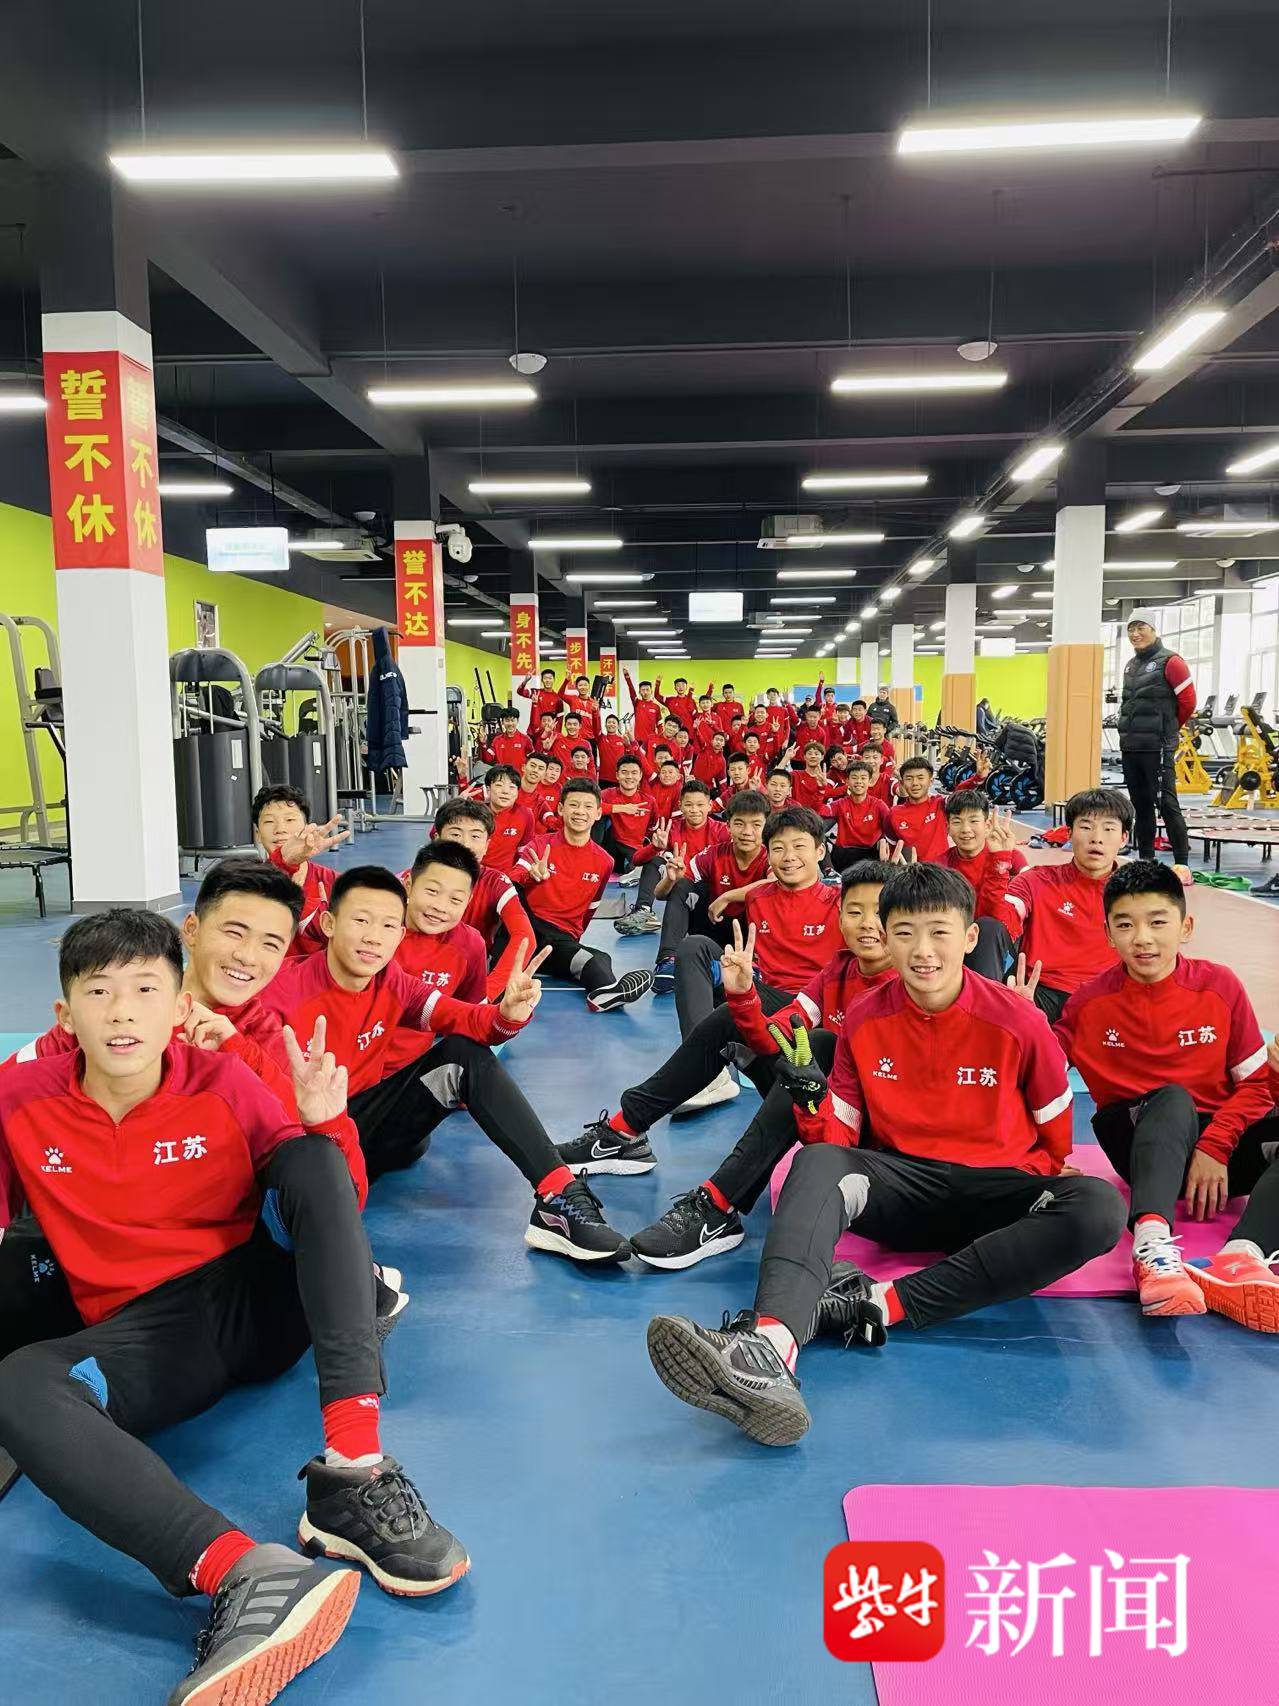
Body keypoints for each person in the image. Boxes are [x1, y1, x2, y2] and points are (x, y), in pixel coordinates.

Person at [0, 910, 471, 1702]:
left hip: (255, 1297)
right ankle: (244, 1571)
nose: (121, 1012)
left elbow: (332, 1198)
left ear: (177, 1007)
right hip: (149, 1336)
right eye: (99, 992)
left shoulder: (221, 1082)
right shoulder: (17, 1100)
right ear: (65, 1016)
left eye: (145, 990)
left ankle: (353, 1472)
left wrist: (331, 1123)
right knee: (18, 1381)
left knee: (310, 1155)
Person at [644, 863, 1127, 1446]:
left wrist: (1037, 1186)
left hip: (994, 1195)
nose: (922, 951)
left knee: (1099, 1206)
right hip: (901, 1189)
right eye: (905, 933)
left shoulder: (1020, 1020)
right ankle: (770, 1347)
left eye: (939, 932)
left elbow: (1055, 1134)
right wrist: (808, 1100)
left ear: (969, 937)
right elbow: (839, 1138)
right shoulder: (866, 1017)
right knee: (817, 1163)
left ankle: (874, 1304)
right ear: (887, 937)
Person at [267, 861, 631, 1263]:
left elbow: (467, 1020)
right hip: (303, 1147)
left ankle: (558, 1195)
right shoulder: (280, 990)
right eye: (361, 921)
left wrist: (508, 1014)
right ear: (330, 924)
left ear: (399, 934)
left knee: (462, 1054)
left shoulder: (393, 981)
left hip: (360, 1130)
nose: (373, 937)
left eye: (387, 926)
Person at [573, 862, 897, 1268]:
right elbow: (776, 1034)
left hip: (863, 1135)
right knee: (748, 1024)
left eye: (880, 912)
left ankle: (719, 1205)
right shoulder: (840, 969)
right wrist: (744, 997)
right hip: (821, 1112)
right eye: (855, 911)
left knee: (818, 1046)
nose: (868, 924)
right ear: (840, 916)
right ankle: (623, 1132)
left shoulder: (907, 987)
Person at [1054, 861, 1279, 1326]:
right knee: (1173, 1098)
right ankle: (1151, 1248)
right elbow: (1039, 1079)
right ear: (1108, 934)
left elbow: (1257, 1084)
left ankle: (1242, 1255)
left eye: (1157, 922)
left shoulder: (1219, 986)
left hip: (1213, 1158)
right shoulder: (1089, 1003)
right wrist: (1044, 1153)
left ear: (1185, 927)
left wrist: (1215, 1147)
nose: (1143, 939)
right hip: (1139, 1142)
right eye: (1125, 925)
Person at [666, 804, 840, 1053]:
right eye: (778, 848)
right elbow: (762, 888)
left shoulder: (841, 902)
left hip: (816, 1003)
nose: (789, 856)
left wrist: (726, 896)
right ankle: (703, 1057)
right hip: (766, 994)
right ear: (768, 855)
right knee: (694, 947)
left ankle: (710, 1052)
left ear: (820, 851)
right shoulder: (757, 898)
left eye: (799, 846)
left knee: (726, 1016)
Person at [987, 787, 1133, 1023]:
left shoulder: (1135, 892)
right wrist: (1000, 862)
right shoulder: (1036, 880)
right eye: (1086, 827)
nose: (1096, 838)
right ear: (1069, 833)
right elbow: (1000, 921)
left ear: (1123, 838)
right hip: (1037, 993)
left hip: (1106, 997)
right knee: (986, 928)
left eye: (1109, 829)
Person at [514, 778, 653, 1013]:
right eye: (574, 805)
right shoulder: (539, 845)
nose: (580, 811)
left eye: (588, 806)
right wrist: (531, 876)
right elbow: (512, 880)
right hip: (525, 929)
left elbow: (590, 909)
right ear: (561, 809)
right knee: (514, 892)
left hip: (558, 940)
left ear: (598, 813)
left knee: (599, 958)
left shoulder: (604, 861)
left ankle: (605, 994)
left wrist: (572, 939)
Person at [649, 789, 770, 1001]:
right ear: (728, 826)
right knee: (682, 885)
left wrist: (727, 896)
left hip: (751, 933)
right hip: (714, 927)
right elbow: (660, 895)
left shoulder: (771, 855)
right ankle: (668, 961)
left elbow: (772, 883)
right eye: (739, 823)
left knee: (768, 894)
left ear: (766, 827)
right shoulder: (714, 854)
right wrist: (670, 879)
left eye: (756, 824)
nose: (747, 832)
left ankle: (755, 964)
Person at [1117, 608, 1195, 870]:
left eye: (1141, 628)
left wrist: (1167, 730)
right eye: (1131, 629)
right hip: (1131, 747)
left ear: (1153, 629)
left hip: (1157, 748)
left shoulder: (1171, 662)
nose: (1135, 634)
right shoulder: (1131, 665)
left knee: (1167, 804)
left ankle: (1182, 865)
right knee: (1140, 806)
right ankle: (1146, 861)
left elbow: (1188, 702)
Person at [615, 779, 727, 936]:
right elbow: (636, 860)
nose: (694, 810)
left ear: (709, 806)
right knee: (654, 861)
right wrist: (654, 847)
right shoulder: (672, 829)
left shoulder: (722, 831)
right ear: (680, 806)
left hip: (708, 890)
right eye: (689, 805)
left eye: (700, 805)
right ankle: (643, 911)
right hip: (677, 884)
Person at [941, 791, 1028, 981]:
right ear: (947, 827)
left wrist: (999, 861)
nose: (966, 829)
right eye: (957, 822)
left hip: (1002, 950)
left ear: (987, 825)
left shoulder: (1012, 858)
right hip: (958, 948)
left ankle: (987, 996)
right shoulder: (941, 865)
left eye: (973, 821)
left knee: (988, 927)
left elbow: (997, 916)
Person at [253, 783, 351, 942]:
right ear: (257, 833)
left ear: (307, 827)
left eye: (290, 819)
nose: (280, 829)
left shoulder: (335, 884)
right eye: (269, 821)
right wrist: (284, 862)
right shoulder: (248, 884)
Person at [596, 753, 657, 875]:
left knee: (639, 868)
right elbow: (590, 808)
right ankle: (592, 860)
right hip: (609, 845)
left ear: (640, 775)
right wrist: (622, 808)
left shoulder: (649, 801)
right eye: (624, 772)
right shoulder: (607, 794)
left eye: (634, 773)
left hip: (632, 848)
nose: (629, 776)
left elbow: (652, 826)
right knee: (597, 816)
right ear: (617, 775)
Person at [829, 760, 892, 871]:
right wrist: (819, 790)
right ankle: (829, 872)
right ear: (847, 781)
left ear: (869, 781)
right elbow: (818, 813)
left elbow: (892, 829)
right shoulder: (839, 804)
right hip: (844, 854)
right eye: (854, 778)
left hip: (870, 855)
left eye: (863, 778)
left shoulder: (879, 805)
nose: (859, 781)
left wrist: (883, 841)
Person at [886, 757, 948, 862]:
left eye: (920, 778)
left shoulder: (940, 804)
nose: (915, 783)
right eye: (909, 778)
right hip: (910, 870)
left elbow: (962, 796)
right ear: (902, 782)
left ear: (931, 781)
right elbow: (892, 850)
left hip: (941, 870)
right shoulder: (893, 814)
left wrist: (977, 777)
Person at [481, 764, 536, 875]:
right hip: (474, 874)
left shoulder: (526, 815)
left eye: (512, 787)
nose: (505, 791)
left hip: (506, 877)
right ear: (488, 789)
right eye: (499, 785)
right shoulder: (476, 813)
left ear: (517, 792)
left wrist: (518, 874)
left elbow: (524, 850)